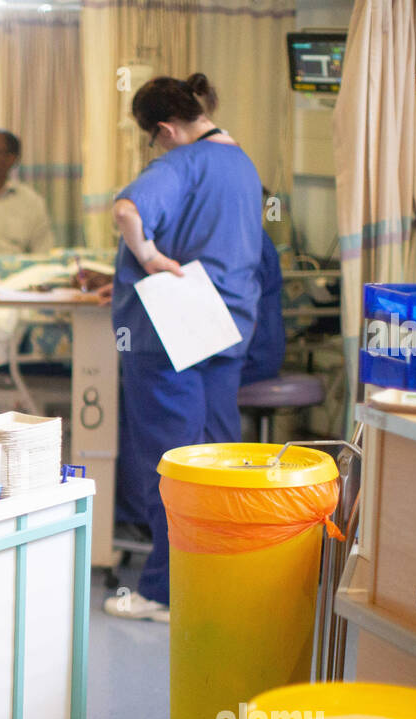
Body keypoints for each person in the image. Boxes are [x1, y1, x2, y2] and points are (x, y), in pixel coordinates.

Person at [103, 73, 263, 621]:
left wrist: (148, 258)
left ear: (166, 128)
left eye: (154, 137)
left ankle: (163, 593)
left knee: (171, 463)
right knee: (216, 460)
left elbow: (127, 211)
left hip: (171, 331)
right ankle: (214, 586)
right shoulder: (243, 164)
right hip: (228, 327)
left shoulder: (179, 163)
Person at [240, 233, 285, 386]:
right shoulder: (251, 235)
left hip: (251, 360)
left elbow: (245, 312)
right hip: (258, 355)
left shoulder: (247, 241)